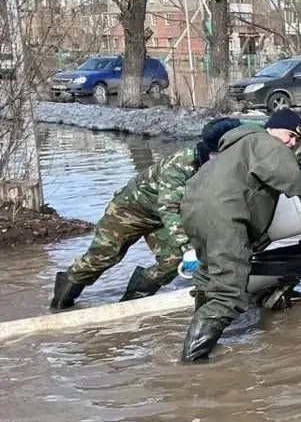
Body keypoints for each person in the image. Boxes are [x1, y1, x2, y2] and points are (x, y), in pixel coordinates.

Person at [178, 108, 301, 362]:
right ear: (272, 128)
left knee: (208, 278)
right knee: (229, 293)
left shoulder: (237, 145)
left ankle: (202, 342)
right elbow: (292, 179)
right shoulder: (265, 143)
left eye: (297, 139)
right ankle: (192, 363)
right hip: (224, 216)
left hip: (194, 210)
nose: (292, 142)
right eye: (290, 135)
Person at [49, 116, 244, 310]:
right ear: (208, 150)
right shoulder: (179, 166)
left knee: (173, 261)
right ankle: (60, 304)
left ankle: (131, 306)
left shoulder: (228, 163)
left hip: (159, 217)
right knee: (100, 258)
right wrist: (188, 247)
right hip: (129, 211)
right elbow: (169, 208)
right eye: (218, 154)